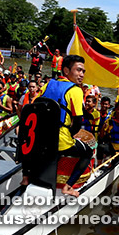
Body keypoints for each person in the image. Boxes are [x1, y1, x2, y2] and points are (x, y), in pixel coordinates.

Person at [35, 54, 93, 197]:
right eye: (78, 70)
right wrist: (70, 134)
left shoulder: (49, 84)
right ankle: (68, 187)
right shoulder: (76, 90)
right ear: (66, 71)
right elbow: (78, 121)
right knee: (87, 152)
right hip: (59, 140)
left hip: (41, 136)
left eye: (83, 71)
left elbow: (36, 105)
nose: (82, 74)